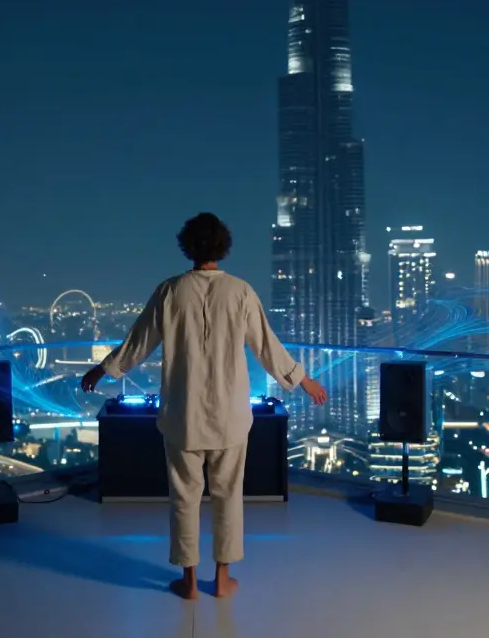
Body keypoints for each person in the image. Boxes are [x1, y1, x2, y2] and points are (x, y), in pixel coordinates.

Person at [81, 212, 327, 600]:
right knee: (229, 496)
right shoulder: (240, 292)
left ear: (187, 245)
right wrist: (304, 380)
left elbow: (137, 344)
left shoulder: (169, 291)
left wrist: (102, 370)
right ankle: (222, 579)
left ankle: (190, 582)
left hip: (182, 416)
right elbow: (267, 346)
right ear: (224, 246)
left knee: (184, 498)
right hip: (230, 417)